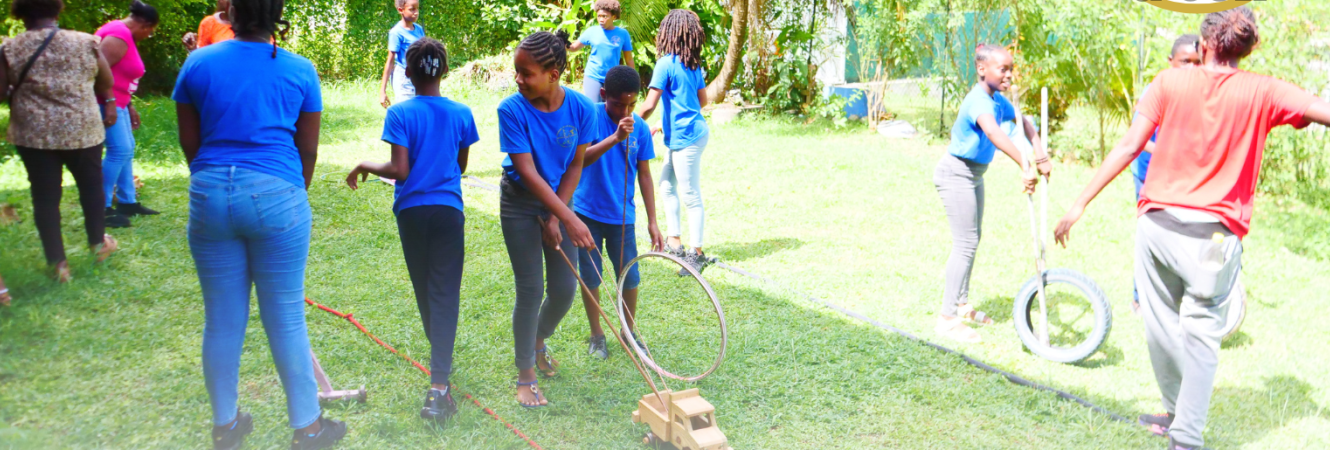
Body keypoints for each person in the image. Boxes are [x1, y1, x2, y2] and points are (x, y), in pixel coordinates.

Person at [1052, 7, 1330, 450]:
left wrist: (1079, 203)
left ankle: (1176, 415)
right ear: (1249, 48)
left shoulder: (1168, 82)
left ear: (1203, 46)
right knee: (1202, 336)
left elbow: (1129, 146)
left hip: (1158, 227)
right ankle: (1184, 435)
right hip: (1213, 239)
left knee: (1161, 325)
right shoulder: (1265, 90)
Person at [172, 0, 347, 447]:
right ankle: (307, 427)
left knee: (221, 321)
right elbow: (307, 151)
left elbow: (189, 141)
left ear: (231, 11)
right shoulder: (300, 69)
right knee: (286, 317)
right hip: (278, 194)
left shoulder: (198, 63)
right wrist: (290, 192)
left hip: (210, 192)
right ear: (277, 12)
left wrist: (215, 182)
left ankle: (226, 425)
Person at [345, 38, 477, 426]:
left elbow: (399, 170)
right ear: (447, 71)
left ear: (406, 72)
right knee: (445, 291)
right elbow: (461, 164)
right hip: (448, 211)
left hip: (411, 213)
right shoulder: (462, 113)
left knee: (425, 288)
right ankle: (439, 385)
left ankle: (440, 372)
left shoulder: (400, 113)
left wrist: (365, 163)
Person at [498, 29, 596, 408]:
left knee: (564, 290)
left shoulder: (582, 109)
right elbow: (527, 172)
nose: (519, 80)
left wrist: (560, 214)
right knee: (530, 290)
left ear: (554, 74)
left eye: (527, 73)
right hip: (520, 203)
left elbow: (575, 164)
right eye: (517, 72)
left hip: (556, 200)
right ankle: (526, 374)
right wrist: (567, 216)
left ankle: (538, 341)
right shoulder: (511, 109)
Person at [932, 44, 1051, 344]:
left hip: (974, 175)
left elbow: (1022, 122)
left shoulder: (997, 100)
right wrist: (1024, 164)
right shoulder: (979, 102)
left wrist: (1039, 153)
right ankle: (947, 319)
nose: (1009, 74)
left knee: (973, 238)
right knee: (966, 242)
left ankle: (962, 306)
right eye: (1003, 69)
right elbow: (995, 134)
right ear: (983, 69)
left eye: (1011, 68)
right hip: (956, 174)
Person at [2, 0, 120, 282]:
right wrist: (111, 102)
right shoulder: (86, 42)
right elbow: (105, 79)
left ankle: (58, 265)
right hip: (82, 128)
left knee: (44, 196)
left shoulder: (10, 47)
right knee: (91, 187)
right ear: (57, 11)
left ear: (21, 15)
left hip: (34, 132)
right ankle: (97, 244)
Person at [574, 65, 663, 360]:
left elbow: (645, 175)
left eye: (631, 104)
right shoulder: (589, 116)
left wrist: (652, 220)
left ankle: (628, 332)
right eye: (617, 103)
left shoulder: (638, 126)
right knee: (591, 276)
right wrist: (614, 138)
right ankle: (597, 335)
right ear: (603, 95)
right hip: (586, 213)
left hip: (622, 216)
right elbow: (580, 160)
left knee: (630, 275)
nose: (625, 110)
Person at [1130, 34, 1201, 313]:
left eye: (1198, 63)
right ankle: (1139, 298)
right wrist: (1168, 153)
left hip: (1179, 179)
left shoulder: (1200, 93)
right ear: (1170, 62)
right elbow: (1138, 140)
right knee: (1151, 236)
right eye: (1185, 62)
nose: (1191, 69)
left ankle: (1174, 297)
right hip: (1149, 175)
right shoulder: (1156, 90)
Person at [637, 9, 711, 275]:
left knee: (690, 194)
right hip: (686, 133)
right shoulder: (692, 64)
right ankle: (674, 242)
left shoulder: (665, 64)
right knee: (667, 185)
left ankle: (697, 253)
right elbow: (701, 101)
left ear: (667, 34)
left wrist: (629, 122)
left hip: (687, 138)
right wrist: (661, 124)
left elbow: (649, 104)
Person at [96, 0, 161, 229]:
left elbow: (120, 75)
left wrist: (129, 104)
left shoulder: (124, 34)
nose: (148, 36)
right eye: (151, 32)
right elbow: (96, 72)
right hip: (106, 102)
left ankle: (127, 202)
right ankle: (100, 208)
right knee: (119, 149)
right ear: (145, 25)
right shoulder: (118, 35)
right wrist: (111, 102)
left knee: (127, 148)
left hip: (119, 102)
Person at [568, 0, 634, 102]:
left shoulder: (623, 34)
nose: (601, 19)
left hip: (613, 79)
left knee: (611, 112)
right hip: (593, 77)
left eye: (605, 16)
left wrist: (633, 80)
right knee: (594, 109)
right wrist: (562, 42)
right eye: (599, 16)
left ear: (614, 17)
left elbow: (629, 60)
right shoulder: (592, 31)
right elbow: (573, 47)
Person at [378, 0, 424, 108]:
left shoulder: (419, 30)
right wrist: (382, 91)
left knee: (419, 112)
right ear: (400, 10)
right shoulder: (396, 32)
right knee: (407, 112)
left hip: (419, 76)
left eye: (417, 9)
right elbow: (390, 61)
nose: (416, 12)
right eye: (412, 9)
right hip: (404, 79)